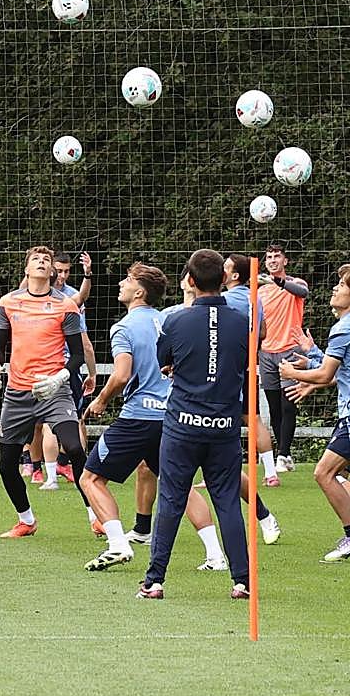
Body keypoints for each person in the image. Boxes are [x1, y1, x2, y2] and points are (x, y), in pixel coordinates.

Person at [138, 249, 252, 600]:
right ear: (223, 281)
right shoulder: (240, 322)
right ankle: (242, 581)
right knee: (228, 501)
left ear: (189, 281)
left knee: (171, 500)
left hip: (183, 425)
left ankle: (154, 580)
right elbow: (242, 366)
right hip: (224, 426)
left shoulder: (175, 321)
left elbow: (163, 361)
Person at [0, 246, 91, 538]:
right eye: (36, 259)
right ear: (27, 269)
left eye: (47, 260)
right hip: (18, 392)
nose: (42, 263)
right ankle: (26, 520)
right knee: (6, 464)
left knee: (74, 448)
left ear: (53, 270)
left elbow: (78, 355)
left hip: (54, 391)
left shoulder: (66, 305)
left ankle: (95, 515)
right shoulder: (8, 303)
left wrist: (60, 377)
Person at [80, 263, 171, 568]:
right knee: (176, 482)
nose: (121, 283)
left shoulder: (123, 327)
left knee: (90, 478)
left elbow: (121, 375)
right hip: (170, 417)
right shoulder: (169, 321)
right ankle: (215, 553)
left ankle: (117, 543)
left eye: (128, 280)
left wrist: (101, 401)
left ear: (140, 292)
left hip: (137, 418)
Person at [279, 269, 350, 562]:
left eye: (342, 285)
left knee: (324, 472)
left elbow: (326, 374)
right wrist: (313, 361)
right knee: (343, 473)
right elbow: (338, 372)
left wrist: (293, 372)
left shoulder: (344, 328)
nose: (335, 288)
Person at [29, 252, 98, 490]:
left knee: (67, 421)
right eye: (57, 270)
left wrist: (88, 274)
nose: (62, 275)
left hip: (64, 370)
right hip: (48, 368)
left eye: (67, 271)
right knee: (45, 423)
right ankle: (38, 468)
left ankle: (58, 469)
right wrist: (92, 372)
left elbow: (81, 300)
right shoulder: (31, 297)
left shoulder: (69, 298)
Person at [223, 253, 281, 486]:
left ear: (235, 275)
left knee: (223, 420)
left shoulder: (225, 300)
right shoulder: (255, 298)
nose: (222, 269)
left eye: (226, 267)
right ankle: (270, 473)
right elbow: (264, 332)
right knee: (254, 418)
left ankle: (222, 474)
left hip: (227, 369)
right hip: (248, 368)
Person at [257, 243, 308, 472]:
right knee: (274, 407)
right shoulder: (260, 291)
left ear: (285, 261)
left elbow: (303, 293)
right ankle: (283, 456)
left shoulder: (295, 284)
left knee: (289, 406)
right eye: (269, 257)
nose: (273, 260)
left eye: (277, 256)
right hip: (267, 353)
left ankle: (284, 454)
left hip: (290, 350)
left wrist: (278, 282)